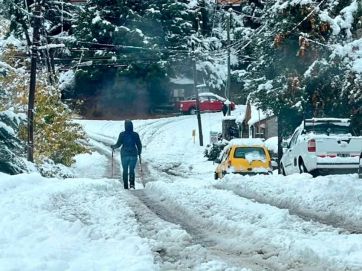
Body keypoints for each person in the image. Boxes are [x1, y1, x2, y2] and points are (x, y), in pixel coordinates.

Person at [111, 120, 142, 189]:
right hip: (133, 154)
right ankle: (132, 185)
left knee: (125, 170)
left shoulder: (122, 134)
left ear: (125, 126)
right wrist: (139, 152)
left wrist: (113, 147)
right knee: (132, 169)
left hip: (124, 154)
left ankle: (125, 185)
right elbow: (139, 144)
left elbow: (118, 144)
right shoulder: (135, 134)